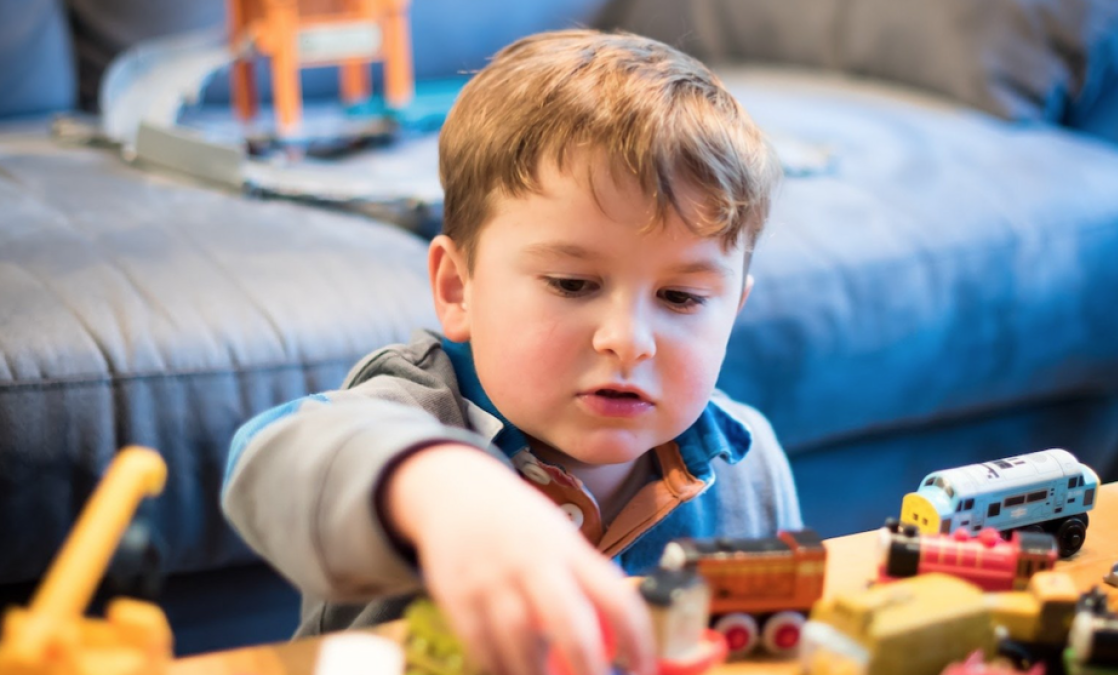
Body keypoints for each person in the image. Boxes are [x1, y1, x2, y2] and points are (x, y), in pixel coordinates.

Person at [222, 28, 800, 675]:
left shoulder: (749, 463)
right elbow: (271, 460)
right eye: (573, 284)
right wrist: (439, 486)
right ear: (457, 288)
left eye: (682, 297)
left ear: (734, 312)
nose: (628, 338)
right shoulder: (413, 410)